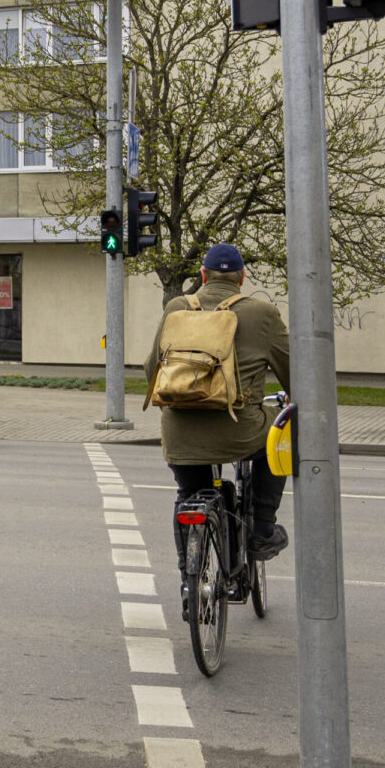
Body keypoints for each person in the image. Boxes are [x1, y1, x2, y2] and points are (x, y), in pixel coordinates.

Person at [144, 243, 292, 618]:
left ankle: (189, 585)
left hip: (181, 435)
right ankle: (261, 529)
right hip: (240, 433)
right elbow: (297, 373)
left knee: (188, 493)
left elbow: (151, 372)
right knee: (280, 436)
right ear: (242, 279)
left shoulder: (177, 308)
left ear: (204, 276)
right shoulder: (262, 313)